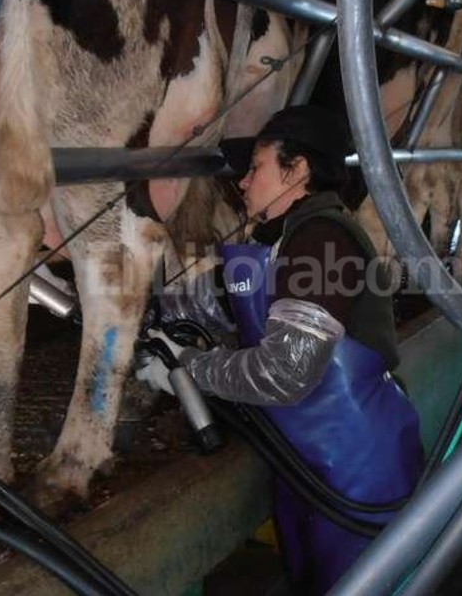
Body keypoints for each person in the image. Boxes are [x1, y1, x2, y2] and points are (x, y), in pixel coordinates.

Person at [140, 105, 424, 594]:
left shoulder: (323, 241)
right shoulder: (286, 243)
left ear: (298, 171)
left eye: (256, 168)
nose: (244, 183)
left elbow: (286, 371)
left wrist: (188, 369)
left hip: (356, 470)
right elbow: (218, 308)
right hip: (312, 467)